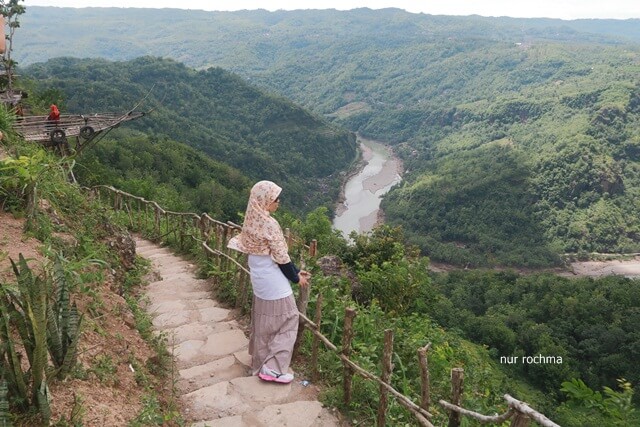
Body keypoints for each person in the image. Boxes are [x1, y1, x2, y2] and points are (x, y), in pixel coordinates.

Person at [228, 180, 311, 384]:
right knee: (289, 319)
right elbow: (281, 256)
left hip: (260, 279)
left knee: (265, 323)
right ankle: (273, 369)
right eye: (275, 199)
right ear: (265, 201)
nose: (278, 203)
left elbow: (271, 254)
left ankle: (260, 362)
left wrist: (296, 269)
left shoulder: (251, 220)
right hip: (274, 282)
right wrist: (296, 277)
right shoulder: (270, 223)